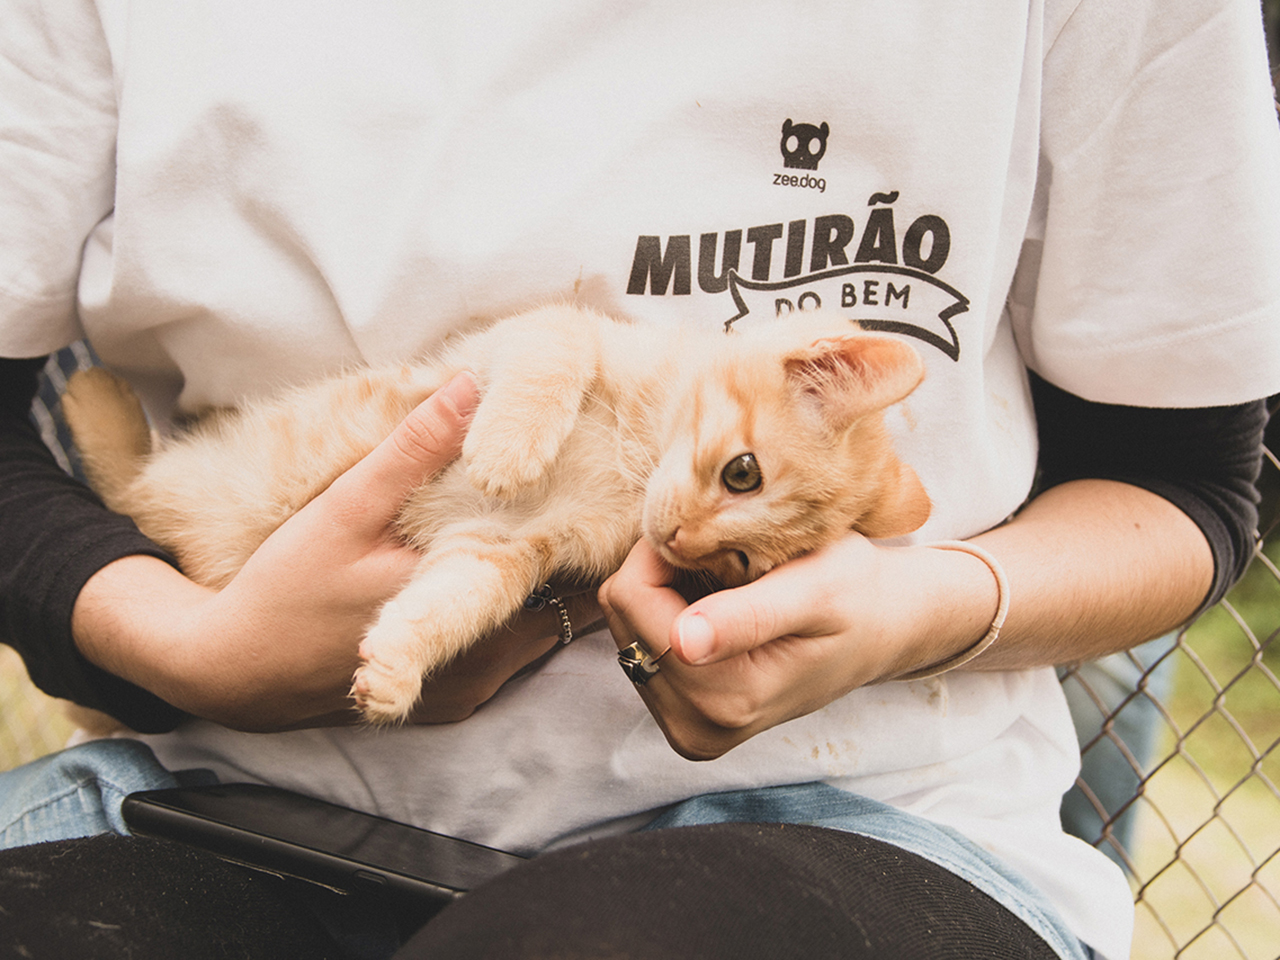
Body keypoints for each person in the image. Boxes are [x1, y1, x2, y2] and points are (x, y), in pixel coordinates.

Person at [2, 1, 1278, 957]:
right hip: (213, 794)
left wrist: (918, 611)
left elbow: (1183, 485)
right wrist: (180, 648)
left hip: (853, 819)